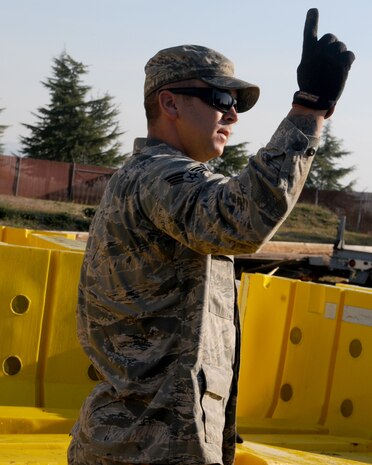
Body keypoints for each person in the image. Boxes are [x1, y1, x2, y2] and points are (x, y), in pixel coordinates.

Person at [68, 8, 354, 465]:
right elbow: (241, 218)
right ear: (170, 103)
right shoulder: (157, 176)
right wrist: (308, 109)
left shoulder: (156, 179)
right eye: (220, 97)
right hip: (143, 450)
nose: (233, 115)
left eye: (238, 103)